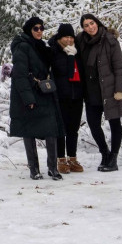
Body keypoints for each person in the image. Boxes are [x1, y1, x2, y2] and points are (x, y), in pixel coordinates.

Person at [8, 16, 64, 180]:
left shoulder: (41, 46)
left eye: (41, 28)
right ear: (28, 30)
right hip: (31, 94)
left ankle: (52, 168)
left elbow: (52, 55)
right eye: (35, 28)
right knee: (29, 131)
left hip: (44, 93)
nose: (39, 31)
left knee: (51, 129)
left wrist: (57, 39)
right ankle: (34, 169)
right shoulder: (23, 47)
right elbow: (19, 75)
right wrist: (28, 99)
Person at [76, 13, 122, 172]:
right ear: (83, 28)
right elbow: (65, 43)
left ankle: (113, 158)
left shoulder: (110, 40)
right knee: (93, 123)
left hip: (109, 88)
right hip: (91, 90)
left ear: (97, 23)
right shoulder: (81, 41)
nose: (90, 27)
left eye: (92, 23)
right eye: (86, 25)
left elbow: (119, 68)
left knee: (114, 122)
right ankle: (104, 153)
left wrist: (119, 90)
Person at [48, 23, 85, 174]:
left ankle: (73, 158)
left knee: (73, 129)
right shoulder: (54, 51)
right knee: (61, 129)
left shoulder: (77, 52)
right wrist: (70, 56)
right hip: (60, 96)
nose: (69, 40)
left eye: (71, 37)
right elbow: (64, 72)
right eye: (66, 37)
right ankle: (61, 159)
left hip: (76, 95)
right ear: (60, 37)